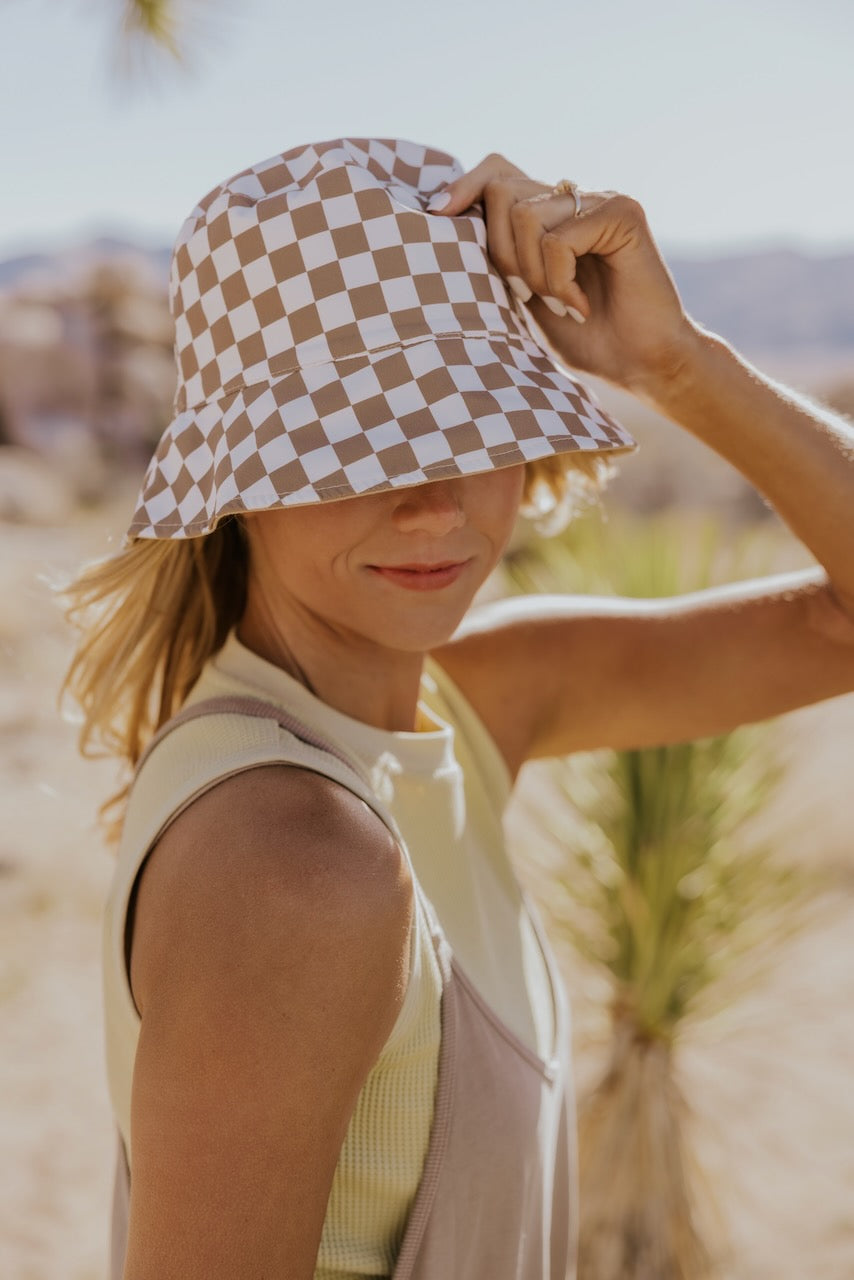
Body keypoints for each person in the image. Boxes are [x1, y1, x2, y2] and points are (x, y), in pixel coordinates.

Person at [62, 137, 854, 1280]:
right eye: (351, 445)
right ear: (240, 482)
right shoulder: (296, 860)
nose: (431, 502)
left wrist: (675, 363)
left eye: (465, 426)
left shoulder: (453, 706)